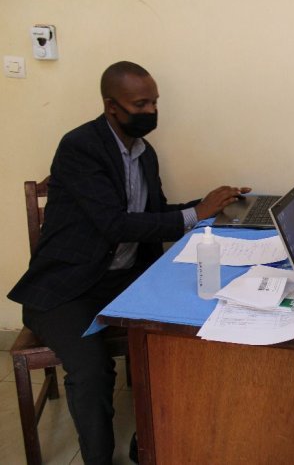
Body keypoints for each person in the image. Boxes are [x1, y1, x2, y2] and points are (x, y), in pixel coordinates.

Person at [7, 61, 250, 464]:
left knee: (182, 332)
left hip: (122, 278)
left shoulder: (144, 153)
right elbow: (113, 224)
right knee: (91, 370)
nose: (151, 111)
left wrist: (208, 206)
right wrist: (196, 213)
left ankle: (150, 442)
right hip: (69, 285)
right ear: (111, 106)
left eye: (154, 102)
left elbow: (153, 214)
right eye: (141, 104)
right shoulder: (80, 147)